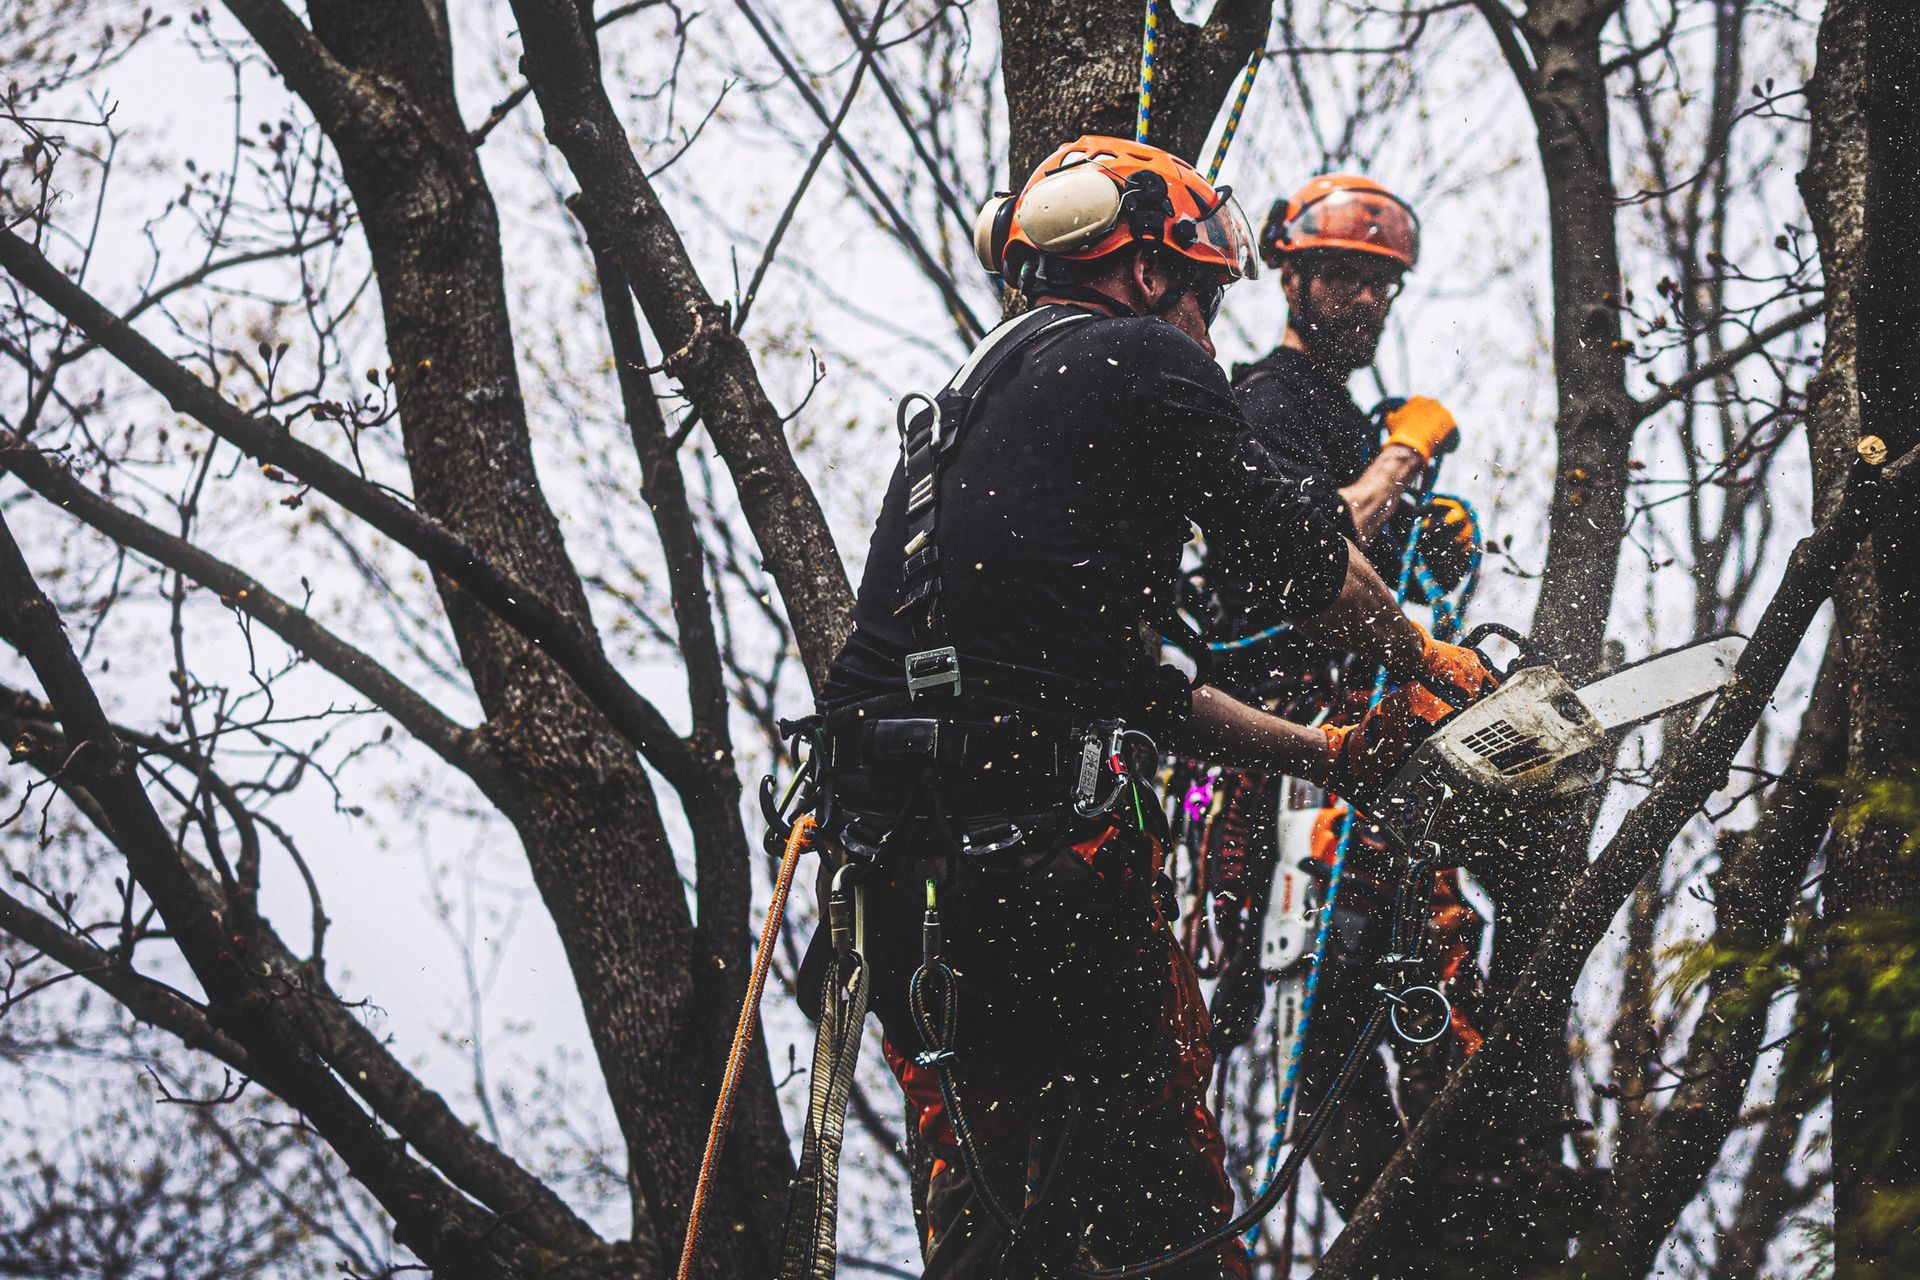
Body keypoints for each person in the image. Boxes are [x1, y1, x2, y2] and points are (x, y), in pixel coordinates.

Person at [808, 137, 1494, 1280]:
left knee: (995, 1209)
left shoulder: (978, 399)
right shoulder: (1141, 357)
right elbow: (1297, 560)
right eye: (1206, 297)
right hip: (1042, 861)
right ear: (1146, 274)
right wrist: (1421, 654)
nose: (1210, 333)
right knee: (1162, 1209)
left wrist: (1322, 750)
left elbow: (1134, 681)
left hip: (895, 868)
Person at [1182, 173, 1491, 1221]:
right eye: (1344, 280)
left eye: (1379, 287)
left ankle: (1449, 1184)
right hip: (1293, 743)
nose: (1363, 304)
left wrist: (1430, 530)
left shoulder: (1346, 418)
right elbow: (1312, 551)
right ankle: (1384, 1202)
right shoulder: (1263, 400)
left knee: (1416, 960)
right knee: (1337, 995)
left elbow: (1382, 566)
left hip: (1368, 745)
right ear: (1293, 276)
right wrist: (1404, 456)